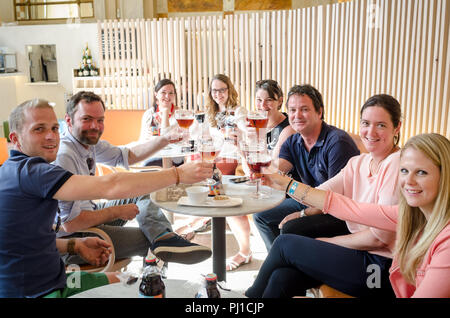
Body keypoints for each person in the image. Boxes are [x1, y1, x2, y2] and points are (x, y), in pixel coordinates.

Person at [0, 99, 213, 297]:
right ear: (16, 139)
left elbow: (23, 242)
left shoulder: (13, 170)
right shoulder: (32, 172)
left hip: (59, 278)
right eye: (39, 129)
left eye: (53, 129)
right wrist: (177, 175)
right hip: (39, 291)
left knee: (129, 280)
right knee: (137, 286)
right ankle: (162, 242)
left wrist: (74, 245)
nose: (50, 136)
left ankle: (164, 240)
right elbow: (110, 185)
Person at [247, 133, 450, 298]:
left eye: (422, 172)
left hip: (380, 277)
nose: (409, 181)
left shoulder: (446, 241)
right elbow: (340, 204)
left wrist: (321, 242)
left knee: (285, 245)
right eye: (405, 171)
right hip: (382, 274)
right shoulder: (407, 213)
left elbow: (373, 237)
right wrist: (287, 185)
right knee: (283, 277)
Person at [245, 94, 403, 297]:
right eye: (365, 123)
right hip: (358, 254)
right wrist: (279, 183)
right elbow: (318, 194)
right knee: (282, 277)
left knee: (285, 244)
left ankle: (248, 300)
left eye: (380, 125)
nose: (370, 132)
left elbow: (378, 240)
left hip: (380, 270)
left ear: (396, 127)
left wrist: (326, 242)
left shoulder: (398, 163)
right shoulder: (359, 163)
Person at [54, 91, 212, 268]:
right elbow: (70, 224)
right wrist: (117, 211)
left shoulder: (87, 142)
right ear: (68, 121)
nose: (95, 126)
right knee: (150, 240)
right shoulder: (64, 156)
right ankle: (154, 275)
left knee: (144, 189)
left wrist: (164, 140)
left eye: (100, 120)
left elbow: (127, 156)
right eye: (87, 119)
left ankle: (163, 238)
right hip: (76, 239)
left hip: (89, 212)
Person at [253, 84, 360, 251]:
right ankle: (278, 259)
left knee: (291, 226)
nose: (297, 116)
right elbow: (274, 171)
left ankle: (286, 261)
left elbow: (335, 198)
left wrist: (302, 214)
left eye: (304, 109)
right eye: (293, 110)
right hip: (309, 199)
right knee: (261, 216)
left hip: (339, 211)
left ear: (319, 112)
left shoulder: (337, 143)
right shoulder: (293, 141)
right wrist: (250, 141)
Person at [226, 79, 296, 271]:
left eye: (269, 100)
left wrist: (253, 140)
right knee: (227, 200)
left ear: (280, 101)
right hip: (262, 182)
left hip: (282, 186)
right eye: (258, 100)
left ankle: (276, 263)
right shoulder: (255, 125)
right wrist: (240, 145)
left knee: (253, 210)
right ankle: (245, 250)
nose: (262, 106)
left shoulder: (287, 129)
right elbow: (251, 168)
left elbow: (270, 168)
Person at [139, 78, 183, 167]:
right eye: (163, 92)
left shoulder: (181, 114)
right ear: (156, 94)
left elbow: (183, 139)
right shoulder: (149, 114)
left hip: (175, 157)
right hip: (153, 156)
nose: (167, 96)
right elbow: (143, 140)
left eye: (171, 93)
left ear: (174, 96)